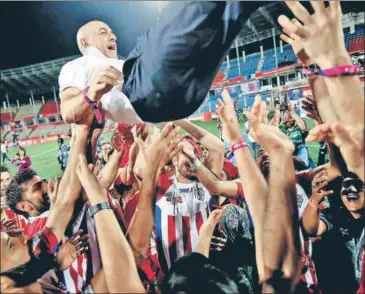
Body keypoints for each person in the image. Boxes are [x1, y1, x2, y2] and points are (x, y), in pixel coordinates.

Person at [59, 3, 267, 124]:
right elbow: (68, 111)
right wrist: (90, 94)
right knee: (187, 10)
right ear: (84, 42)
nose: (112, 37)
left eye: (113, 33)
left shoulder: (117, 62)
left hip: (182, 99)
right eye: (103, 33)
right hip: (141, 89)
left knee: (229, 16)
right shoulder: (78, 66)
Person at [301, 172, 364, 293]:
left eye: (358, 184)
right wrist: (314, 202)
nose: (352, 189)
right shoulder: (334, 215)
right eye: (346, 185)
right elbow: (312, 230)